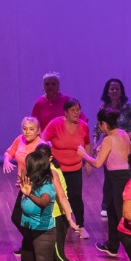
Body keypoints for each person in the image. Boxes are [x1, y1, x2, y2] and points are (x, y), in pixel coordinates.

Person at [16, 145, 80, 261]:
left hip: (43, 233)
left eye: (29, 165)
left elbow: (44, 202)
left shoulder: (48, 184)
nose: (26, 167)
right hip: (29, 231)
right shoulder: (31, 180)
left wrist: (29, 194)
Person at [83, 109, 131, 258]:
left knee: (121, 216)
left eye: (99, 124)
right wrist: (106, 152)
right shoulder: (122, 133)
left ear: (104, 124)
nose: (99, 127)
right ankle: (112, 245)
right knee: (112, 211)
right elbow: (129, 150)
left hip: (118, 179)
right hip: (122, 176)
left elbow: (98, 163)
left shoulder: (108, 139)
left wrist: (84, 155)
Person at [46, 99, 91, 236]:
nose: (76, 113)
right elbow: (43, 139)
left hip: (75, 168)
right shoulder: (55, 124)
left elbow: (87, 143)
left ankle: (80, 226)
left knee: (76, 196)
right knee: (58, 196)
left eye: (78, 109)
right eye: (72, 110)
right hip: (57, 169)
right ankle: (58, 225)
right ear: (65, 112)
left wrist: (88, 162)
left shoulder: (83, 126)